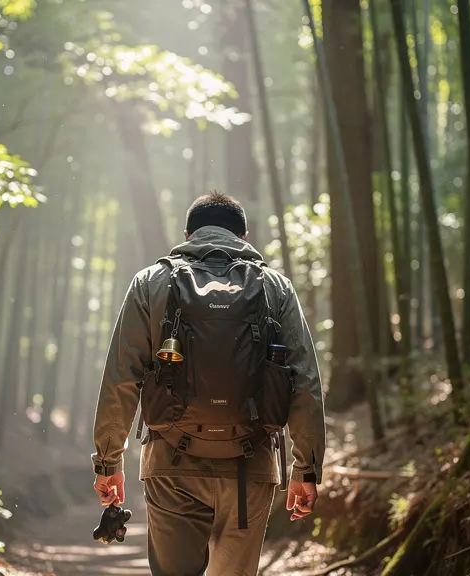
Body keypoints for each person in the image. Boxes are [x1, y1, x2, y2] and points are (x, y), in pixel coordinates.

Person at [90, 191, 326, 576]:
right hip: (251, 467)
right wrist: (306, 468)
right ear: (243, 238)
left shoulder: (151, 282)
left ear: (188, 234)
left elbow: (121, 378)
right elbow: (304, 381)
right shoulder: (276, 287)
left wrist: (108, 460)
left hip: (171, 464)